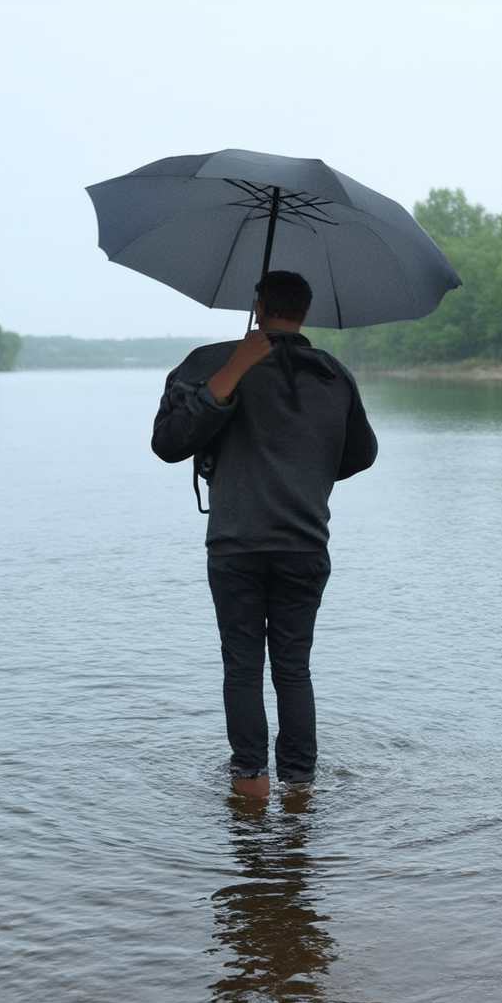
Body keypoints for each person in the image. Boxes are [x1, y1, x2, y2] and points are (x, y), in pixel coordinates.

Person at [150, 270, 377, 798]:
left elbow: (167, 442)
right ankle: (300, 794)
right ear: (306, 311)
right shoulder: (334, 375)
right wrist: (308, 473)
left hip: (236, 544)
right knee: (294, 670)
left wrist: (231, 373)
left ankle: (250, 787)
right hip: (304, 543)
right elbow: (361, 454)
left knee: (244, 668)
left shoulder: (210, 362)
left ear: (256, 304)